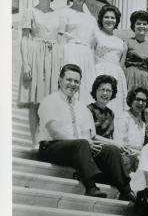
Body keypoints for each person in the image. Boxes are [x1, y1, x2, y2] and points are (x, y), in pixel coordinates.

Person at [36, 64, 135, 201]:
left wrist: (88, 144)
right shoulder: (49, 101)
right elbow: (55, 131)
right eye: (69, 80)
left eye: (76, 81)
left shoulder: (82, 108)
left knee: (111, 150)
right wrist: (83, 142)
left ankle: (125, 190)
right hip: (51, 148)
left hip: (77, 151)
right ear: (60, 80)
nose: (72, 84)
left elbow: (87, 136)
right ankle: (90, 186)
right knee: (81, 143)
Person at [18, 0, 64, 143]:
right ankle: (34, 140)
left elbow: (60, 40)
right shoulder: (30, 12)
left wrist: (60, 63)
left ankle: (47, 138)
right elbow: (24, 38)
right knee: (34, 100)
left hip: (52, 57)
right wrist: (25, 64)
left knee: (50, 100)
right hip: (35, 54)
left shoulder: (58, 15)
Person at [60, 0, 97, 104]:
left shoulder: (91, 19)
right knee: (70, 86)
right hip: (70, 52)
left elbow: (94, 42)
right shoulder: (65, 13)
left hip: (86, 55)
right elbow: (60, 37)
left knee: (86, 89)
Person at [93, 5, 128, 117]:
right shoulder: (96, 36)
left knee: (116, 106)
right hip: (99, 72)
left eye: (112, 18)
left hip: (117, 75)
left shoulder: (120, 41)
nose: (109, 20)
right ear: (101, 19)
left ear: (116, 20)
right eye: (106, 17)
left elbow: (120, 64)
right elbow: (90, 56)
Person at [122, 10, 148, 117]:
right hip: (130, 78)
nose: (142, 26)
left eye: (144, 24)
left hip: (145, 80)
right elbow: (121, 65)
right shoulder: (127, 42)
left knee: (146, 111)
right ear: (133, 26)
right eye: (138, 23)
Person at [115, 86, 148, 173]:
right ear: (131, 100)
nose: (140, 103)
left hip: (138, 157)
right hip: (126, 156)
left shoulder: (142, 123)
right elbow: (121, 144)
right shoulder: (123, 118)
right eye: (137, 99)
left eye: (143, 100)